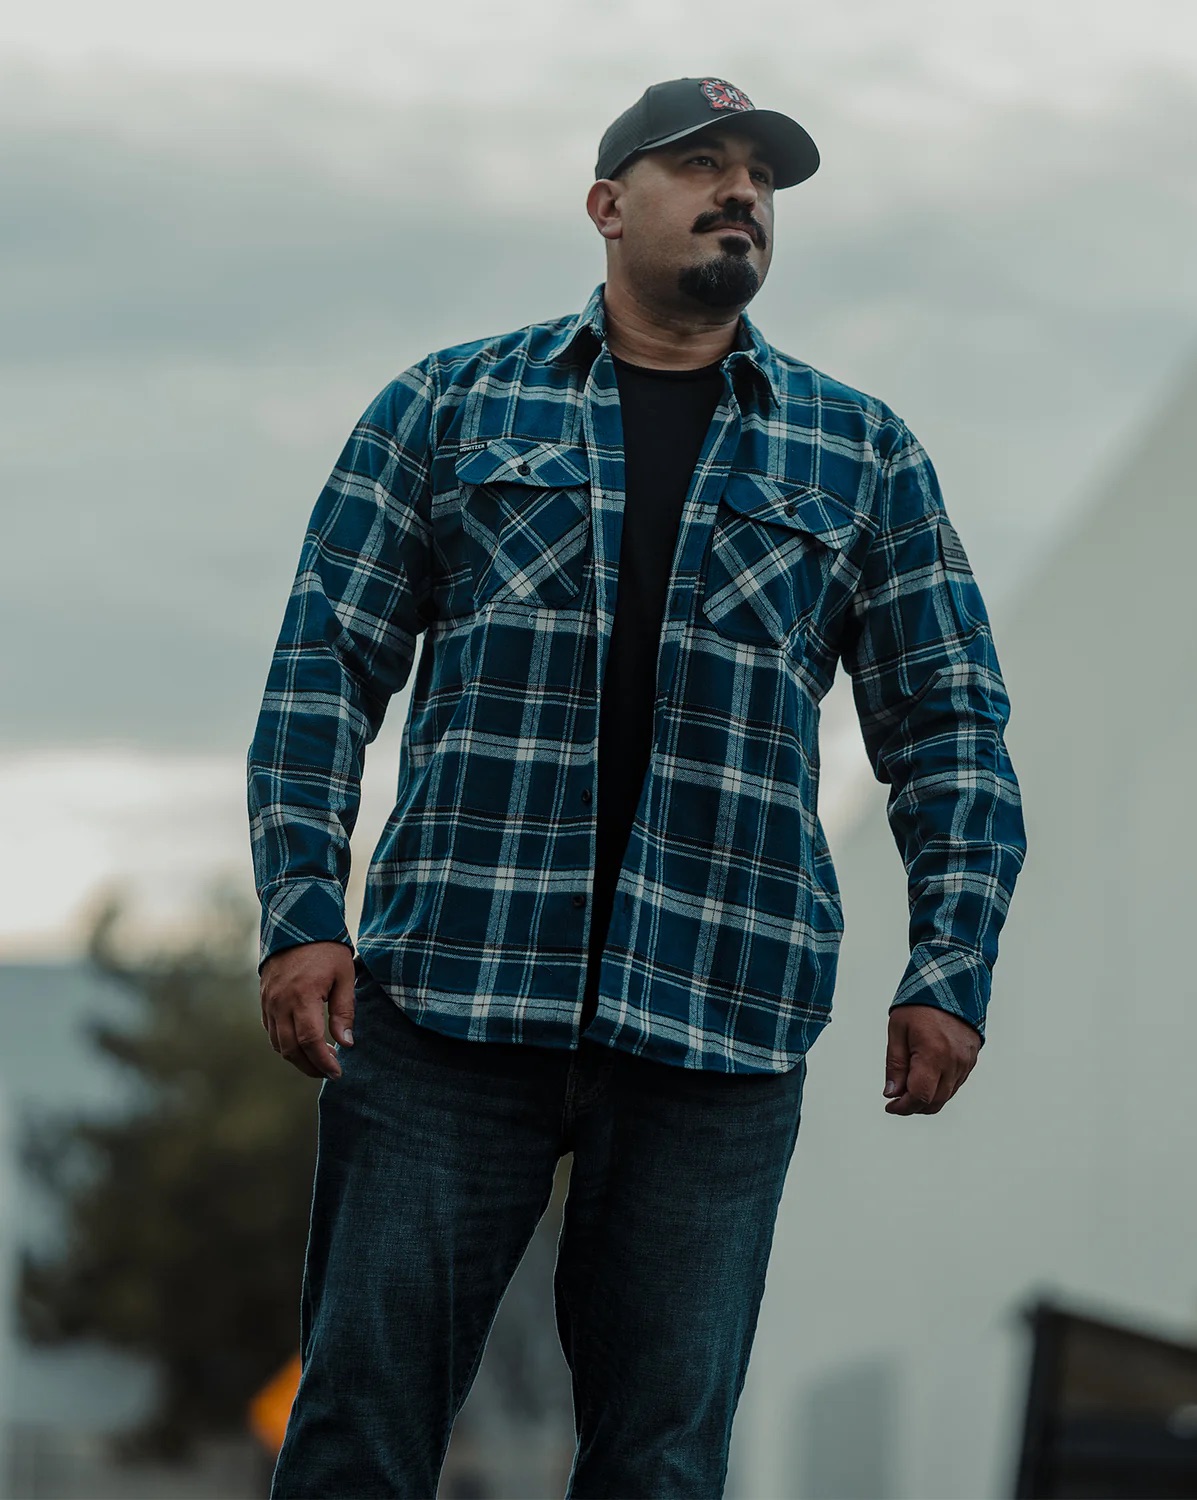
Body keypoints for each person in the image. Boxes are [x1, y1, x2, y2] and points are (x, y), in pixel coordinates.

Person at [248, 75, 1027, 1499]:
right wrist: (301, 911)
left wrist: (948, 967)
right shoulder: (447, 405)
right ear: (608, 205)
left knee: (663, 1462)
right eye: (701, 165)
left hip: (718, 1023)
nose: (741, 194)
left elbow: (951, 726)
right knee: (358, 1426)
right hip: (449, 1001)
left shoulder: (857, 451)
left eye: (761, 179)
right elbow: (322, 670)